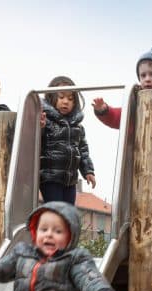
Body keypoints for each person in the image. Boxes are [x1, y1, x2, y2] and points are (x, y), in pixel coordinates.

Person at [39, 76, 95, 204]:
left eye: (70, 99)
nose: (66, 102)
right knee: (57, 210)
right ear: (52, 98)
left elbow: (83, 150)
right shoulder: (45, 121)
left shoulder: (77, 127)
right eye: (61, 97)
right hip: (50, 177)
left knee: (68, 212)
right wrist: (40, 127)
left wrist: (88, 171)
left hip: (70, 179)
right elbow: (36, 141)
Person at [92, 46, 152, 130]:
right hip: (141, 142)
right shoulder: (136, 101)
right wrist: (104, 111)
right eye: (143, 75)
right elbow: (118, 118)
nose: (147, 79)